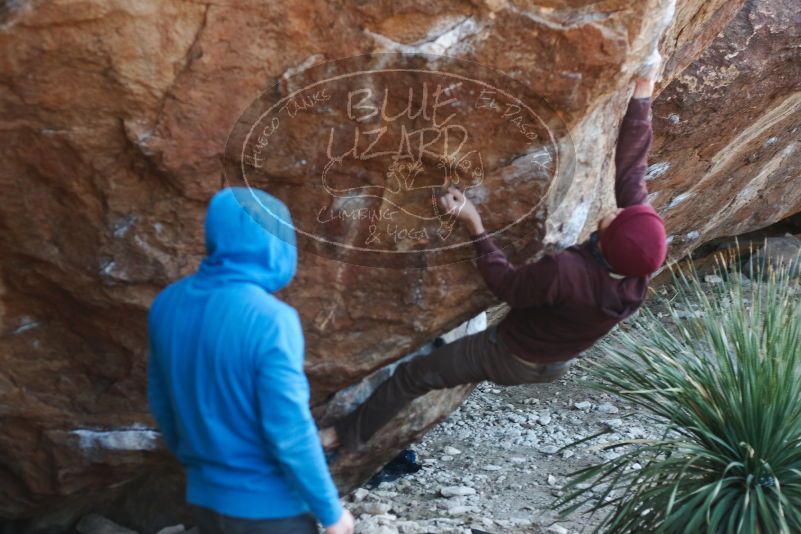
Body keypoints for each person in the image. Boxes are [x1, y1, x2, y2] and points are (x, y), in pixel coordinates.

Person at [320, 66, 668, 454]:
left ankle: (343, 436)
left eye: (621, 218)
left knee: (413, 376)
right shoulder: (639, 261)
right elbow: (633, 172)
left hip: (511, 355)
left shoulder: (566, 272)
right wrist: (643, 91)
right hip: (556, 359)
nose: (621, 210)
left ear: (605, 246)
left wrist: (475, 225)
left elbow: (506, 286)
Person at [147, 187, 354, 534]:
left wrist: (197, 467)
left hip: (206, 500)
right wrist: (330, 511)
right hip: (271, 510)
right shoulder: (272, 319)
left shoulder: (167, 304)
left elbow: (161, 402)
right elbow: (289, 428)